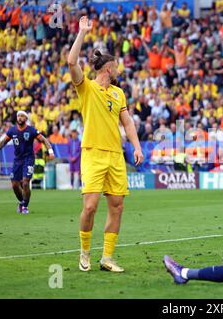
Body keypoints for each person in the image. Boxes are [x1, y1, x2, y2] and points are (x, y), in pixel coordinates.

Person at [68, 16, 144, 273]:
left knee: (117, 206)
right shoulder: (86, 88)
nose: (120, 70)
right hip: (93, 153)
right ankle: (85, 252)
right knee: (89, 207)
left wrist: (137, 146)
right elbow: (71, 62)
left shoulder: (119, 93)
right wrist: (82, 33)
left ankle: (107, 258)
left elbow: (128, 122)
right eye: (117, 66)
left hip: (115, 156)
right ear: (108, 69)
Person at [0, 111, 55, 214]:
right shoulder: (12, 131)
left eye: (22, 116)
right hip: (18, 160)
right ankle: (22, 202)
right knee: (15, 185)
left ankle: (25, 206)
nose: (20, 118)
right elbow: (2, 143)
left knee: (25, 182)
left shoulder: (31, 130)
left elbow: (44, 140)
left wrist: (50, 151)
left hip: (29, 159)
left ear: (26, 119)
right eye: (18, 116)